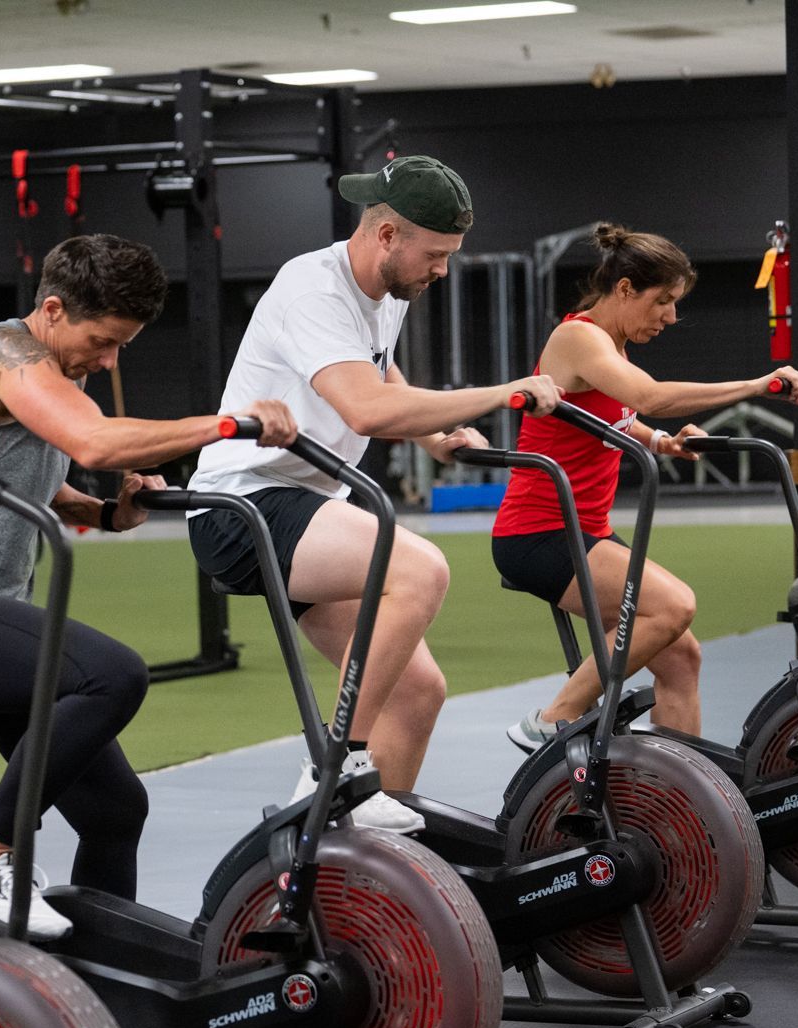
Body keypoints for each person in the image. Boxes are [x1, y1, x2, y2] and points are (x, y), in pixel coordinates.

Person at [0, 233, 297, 940]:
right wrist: (231, 425)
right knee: (112, 676)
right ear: (53, 309)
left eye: (124, 344)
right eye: (105, 340)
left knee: (115, 812)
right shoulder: (4, 356)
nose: (111, 359)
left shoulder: (55, 371)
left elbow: (32, 474)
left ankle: (98, 969)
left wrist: (105, 513)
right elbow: (93, 445)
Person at [186, 155, 561, 832]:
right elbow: (364, 411)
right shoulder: (313, 290)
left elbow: (382, 376)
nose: (443, 271)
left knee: (418, 693)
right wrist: (505, 394)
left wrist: (437, 434)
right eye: (437, 255)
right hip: (241, 509)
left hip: (304, 512)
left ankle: (357, 869)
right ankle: (335, 770)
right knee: (419, 570)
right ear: (387, 235)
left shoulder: (384, 295)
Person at [493, 222, 798, 751]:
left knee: (683, 656)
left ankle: (678, 790)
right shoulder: (578, 338)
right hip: (539, 532)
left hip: (584, 531)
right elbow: (651, 395)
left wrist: (661, 442)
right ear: (624, 290)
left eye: (675, 303)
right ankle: (552, 720)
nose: (670, 316)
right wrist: (758, 386)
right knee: (673, 607)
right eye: (662, 301)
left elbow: (618, 416)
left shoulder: (611, 345)